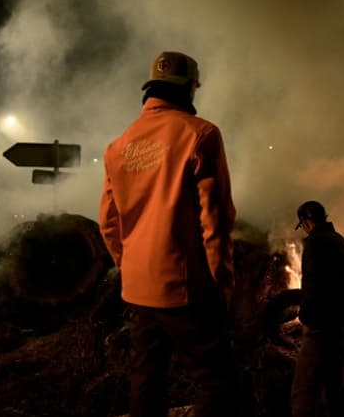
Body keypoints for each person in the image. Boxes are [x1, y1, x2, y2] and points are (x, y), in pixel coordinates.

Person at [98, 51, 237, 417]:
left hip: (139, 289)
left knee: (146, 379)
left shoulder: (117, 147)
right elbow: (216, 219)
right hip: (185, 288)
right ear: (191, 88)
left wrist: (129, 267)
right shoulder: (201, 135)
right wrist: (222, 283)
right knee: (219, 385)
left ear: (152, 89)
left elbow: (108, 223)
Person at [290, 200, 344, 417]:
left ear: (306, 221)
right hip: (340, 324)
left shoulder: (314, 243)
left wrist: (306, 320)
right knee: (336, 389)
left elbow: (312, 286)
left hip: (319, 328)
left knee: (303, 394)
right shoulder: (340, 240)